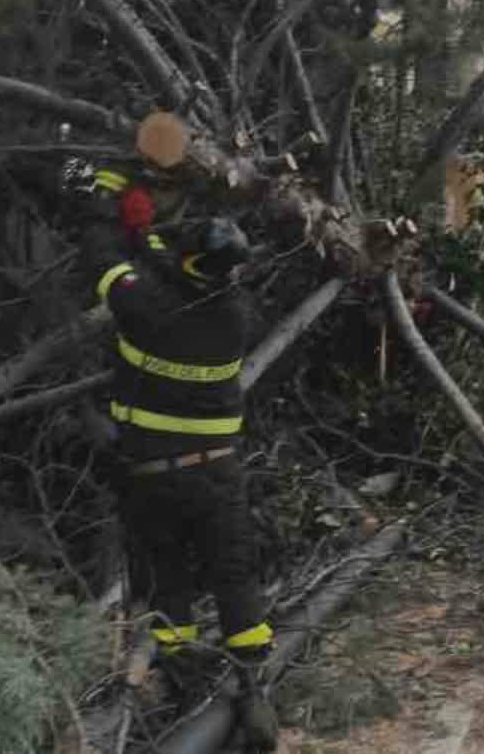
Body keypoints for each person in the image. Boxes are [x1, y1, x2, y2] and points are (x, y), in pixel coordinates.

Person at [79, 167, 278, 748]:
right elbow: (173, 267)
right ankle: (253, 686)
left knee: (169, 579)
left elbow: (102, 263)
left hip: (153, 478)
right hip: (218, 473)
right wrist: (148, 230)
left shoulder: (146, 307)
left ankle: (183, 680)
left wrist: (105, 201)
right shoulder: (234, 312)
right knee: (233, 579)